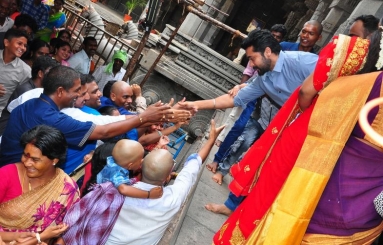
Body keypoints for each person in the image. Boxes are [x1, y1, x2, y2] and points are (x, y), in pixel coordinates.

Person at [213, 33, 376, 244]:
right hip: (318, 146)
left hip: (301, 133)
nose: (346, 40)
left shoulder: (328, 68)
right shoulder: (363, 85)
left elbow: (306, 92)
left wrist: (304, 112)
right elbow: (305, 92)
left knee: (270, 184)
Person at [59, 120, 224, 245]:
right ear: (168, 177)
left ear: (139, 167)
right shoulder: (173, 199)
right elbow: (192, 167)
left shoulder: (111, 190)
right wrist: (211, 140)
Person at [0, 65, 190, 167]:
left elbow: (105, 121)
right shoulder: (53, 119)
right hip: (17, 174)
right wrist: (144, 117)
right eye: (76, 91)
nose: (79, 95)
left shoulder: (31, 103)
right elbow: (103, 131)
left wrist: (149, 116)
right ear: (60, 91)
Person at [0, 125, 79, 244]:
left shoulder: (67, 188)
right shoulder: (7, 174)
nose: (27, 163)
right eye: (25, 155)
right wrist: (15, 237)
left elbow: (69, 229)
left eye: (35, 160)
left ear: (54, 160)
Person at [0, 55, 58, 135]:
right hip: (6, 131)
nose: (54, 78)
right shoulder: (26, 91)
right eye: (51, 74)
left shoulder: (38, 90)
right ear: (40, 73)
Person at [96, 139, 163, 198]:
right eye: (140, 159)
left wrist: (158, 147)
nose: (142, 160)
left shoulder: (115, 161)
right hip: (103, 198)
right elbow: (123, 189)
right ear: (130, 166)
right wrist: (149, 194)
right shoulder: (117, 173)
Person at [0, 28, 30, 117]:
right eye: (19, 43)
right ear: (6, 42)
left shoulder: (25, 71)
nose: (23, 48)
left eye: (25, 45)